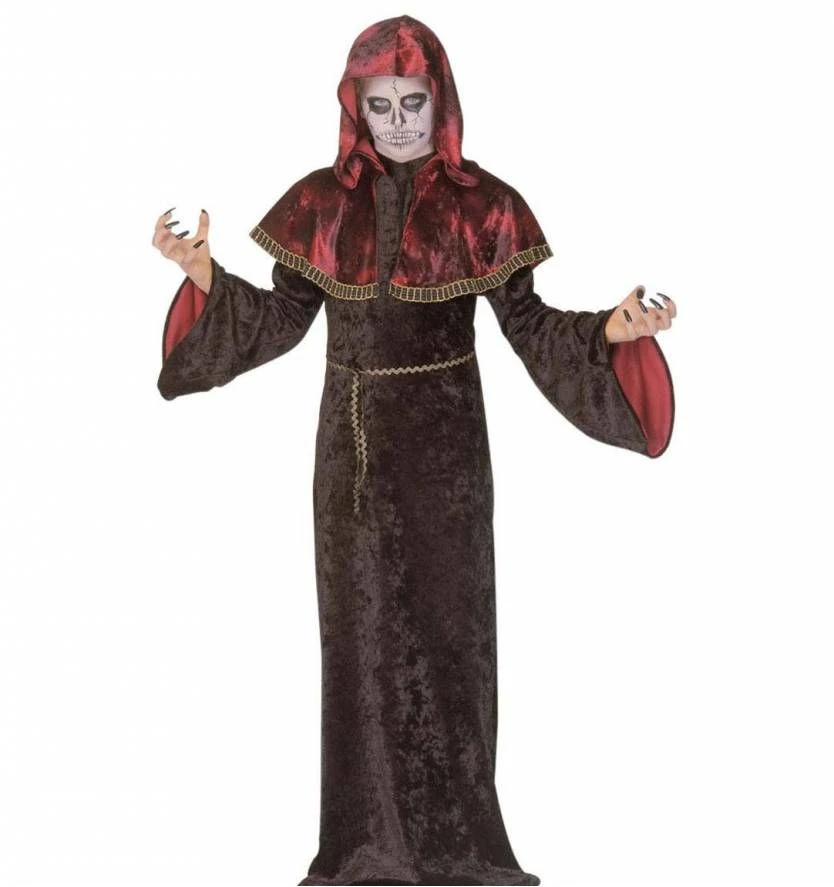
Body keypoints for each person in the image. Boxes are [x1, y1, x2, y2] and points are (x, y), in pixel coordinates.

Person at [152, 15, 676, 886]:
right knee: (360, 649)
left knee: (451, 643)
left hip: (447, 461)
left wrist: (612, 330)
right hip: (351, 461)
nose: (398, 122)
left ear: (443, 103)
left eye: (414, 103)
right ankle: (369, 849)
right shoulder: (320, 204)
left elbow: (531, 326)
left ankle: (457, 847)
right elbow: (278, 318)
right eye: (380, 105)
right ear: (355, 108)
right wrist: (203, 273)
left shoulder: (486, 206)